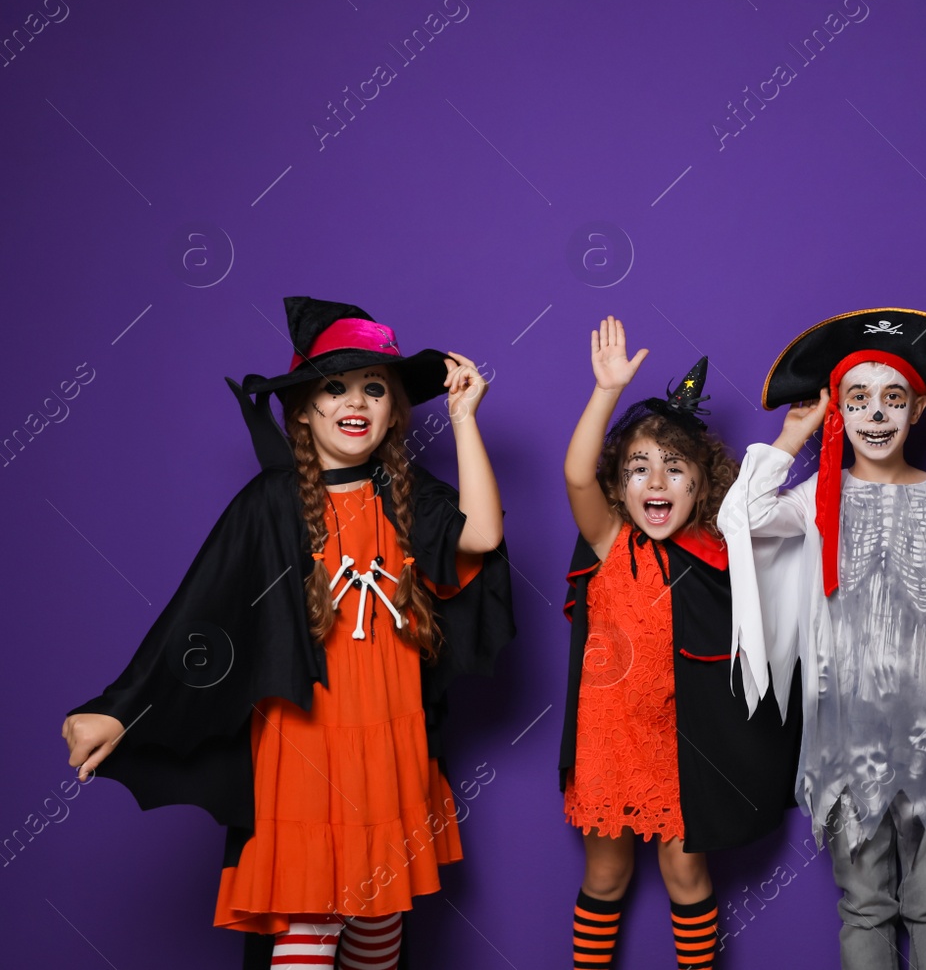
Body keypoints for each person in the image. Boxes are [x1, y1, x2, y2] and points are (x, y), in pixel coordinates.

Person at [61, 297, 515, 968]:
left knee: (377, 927)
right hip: (306, 745)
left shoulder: (407, 497)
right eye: (333, 387)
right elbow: (198, 616)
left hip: (393, 743)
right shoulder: (269, 505)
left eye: (373, 388)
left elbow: (480, 534)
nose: (353, 402)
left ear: (393, 411)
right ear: (302, 408)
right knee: (309, 924)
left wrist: (464, 419)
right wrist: (121, 709)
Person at [718, 308, 926, 970]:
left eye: (892, 399)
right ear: (840, 412)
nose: (876, 414)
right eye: (858, 400)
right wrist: (791, 436)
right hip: (844, 741)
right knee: (864, 904)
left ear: (918, 408)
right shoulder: (816, 498)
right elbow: (738, 520)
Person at [559, 316, 800, 970]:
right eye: (638, 468)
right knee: (605, 876)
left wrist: (796, 432)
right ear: (618, 485)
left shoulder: (721, 555)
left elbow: (765, 500)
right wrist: (606, 390)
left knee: (686, 876)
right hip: (609, 744)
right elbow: (576, 474)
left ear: (701, 483)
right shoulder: (612, 543)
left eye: (674, 468)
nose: (656, 482)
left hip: (685, 745)